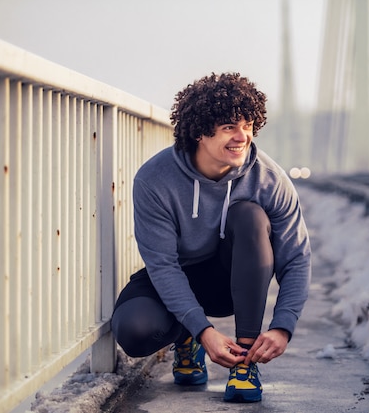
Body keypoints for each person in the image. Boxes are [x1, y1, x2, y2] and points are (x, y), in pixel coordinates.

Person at [111, 72, 311, 403]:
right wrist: (202, 330)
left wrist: (282, 326)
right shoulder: (154, 179)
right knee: (134, 331)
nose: (242, 137)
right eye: (230, 127)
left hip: (232, 279)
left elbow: (296, 258)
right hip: (179, 273)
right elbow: (162, 264)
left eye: (248, 126)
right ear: (200, 131)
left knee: (249, 215)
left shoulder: (269, 179)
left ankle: (244, 362)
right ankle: (187, 339)